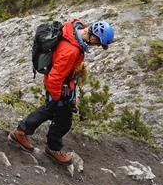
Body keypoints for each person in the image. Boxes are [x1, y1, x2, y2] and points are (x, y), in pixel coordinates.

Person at [8, 19, 114, 163]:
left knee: (51, 112)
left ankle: (23, 133)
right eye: (97, 43)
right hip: (58, 87)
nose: (96, 46)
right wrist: (57, 97)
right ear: (93, 36)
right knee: (61, 118)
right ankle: (49, 147)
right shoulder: (71, 50)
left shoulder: (74, 29)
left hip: (63, 85)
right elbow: (55, 77)